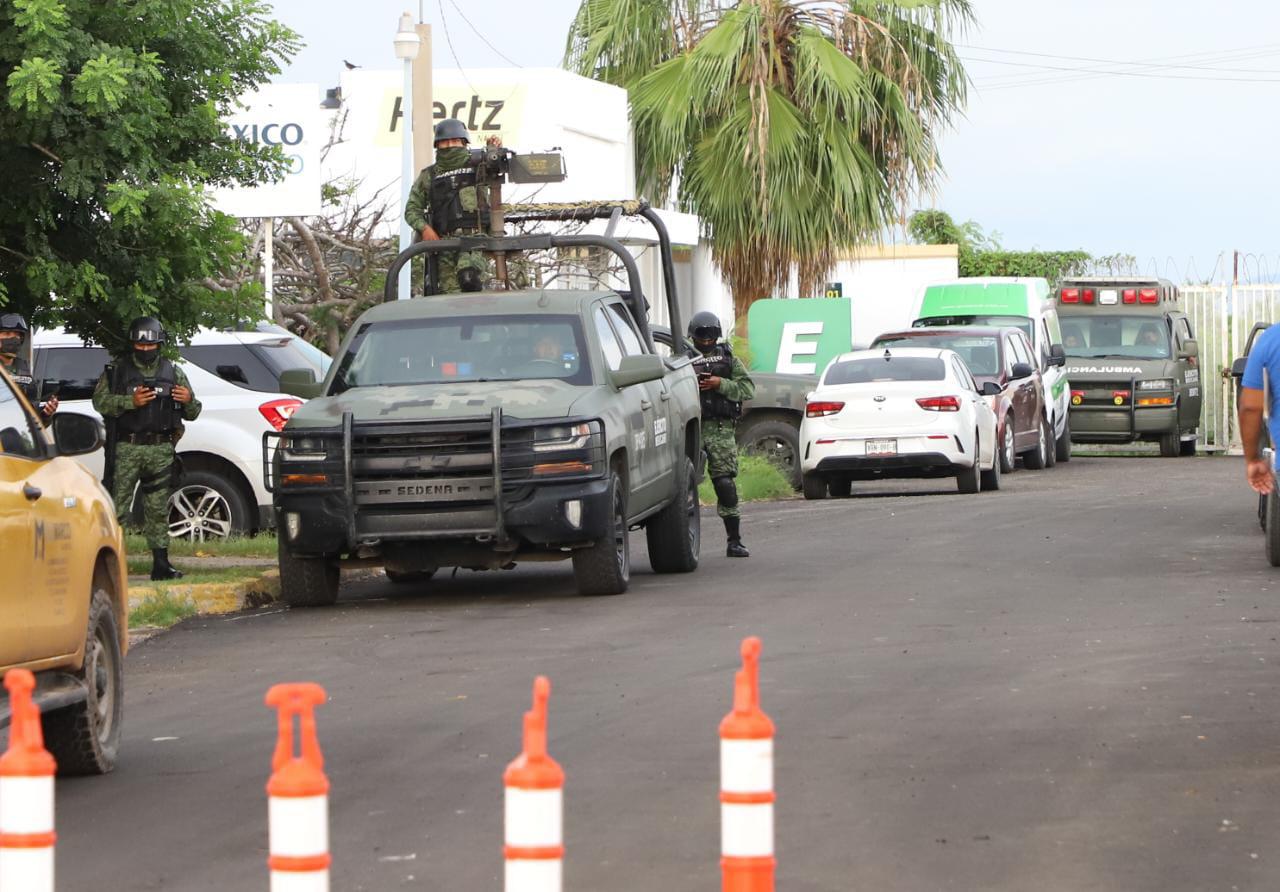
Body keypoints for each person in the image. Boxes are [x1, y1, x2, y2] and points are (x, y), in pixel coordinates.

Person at [92, 317, 201, 580]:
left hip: (160, 448)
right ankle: (108, 566)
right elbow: (100, 402)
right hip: (127, 447)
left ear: (159, 344)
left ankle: (161, 565)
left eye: (150, 345)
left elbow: (193, 412)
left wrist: (188, 400)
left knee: (157, 509)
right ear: (132, 344)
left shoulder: (173, 372)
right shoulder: (117, 372)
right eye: (140, 345)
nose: (145, 349)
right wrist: (130, 401)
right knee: (117, 507)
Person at [687, 311, 755, 558]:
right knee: (681, 486)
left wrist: (720, 384)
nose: (706, 341)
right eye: (702, 336)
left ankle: (734, 541)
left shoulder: (728, 359)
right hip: (690, 430)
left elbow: (747, 389)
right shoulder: (682, 359)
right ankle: (681, 543)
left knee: (725, 484)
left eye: (711, 336)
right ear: (693, 336)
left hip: (720, 429)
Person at [403, 118, 494, 294]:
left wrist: (493, 150)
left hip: (475, 240)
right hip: (443, 244)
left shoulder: (479, 166)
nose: (450, 146)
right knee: (448, 297)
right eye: (445, 142)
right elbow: (412, 210)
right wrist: (425, 229)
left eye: (455, 141)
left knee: (469, 278)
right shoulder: (429, 175)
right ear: (437, 145)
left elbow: (497, 167)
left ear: (464, 143)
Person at [0, 313, 57, 417]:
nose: (14, 339)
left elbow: (31, 415)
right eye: (7, 334)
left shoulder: (23, 368)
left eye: (17, 335)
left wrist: (45, 415)